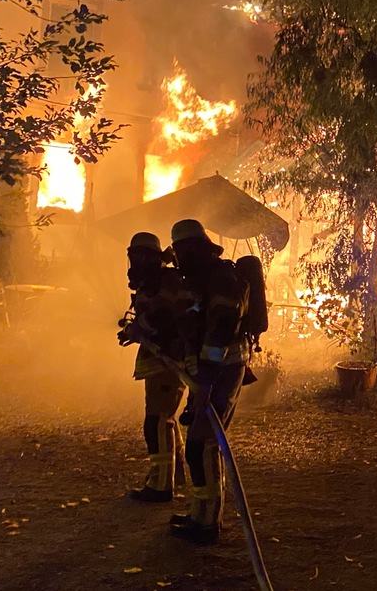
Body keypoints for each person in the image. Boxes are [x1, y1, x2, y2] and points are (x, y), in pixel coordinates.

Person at [167, 219, 249, 544]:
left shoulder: (221, 278)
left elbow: (222, 331)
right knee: (196, 446)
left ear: (201, 248)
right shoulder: (196, 279)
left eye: (186, 249)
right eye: (178, 250)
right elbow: (189, 327)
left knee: (204, 444)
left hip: (222, 371)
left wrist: (206, 381)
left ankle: (208, 523)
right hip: (204, 372)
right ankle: (198, 514)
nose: (181, 256)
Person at [121, 232, 187, 503]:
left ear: (151, 257)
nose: (135, 262)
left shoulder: (168, 281)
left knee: (157, 422)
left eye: (140, 256)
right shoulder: (152, 282)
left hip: (170, 359)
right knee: (165, 418)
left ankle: (160, 486)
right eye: (132, 256)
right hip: (161, 359)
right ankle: (176, 473)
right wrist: (133, 330)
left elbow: (163, 319)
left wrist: (139, 329)